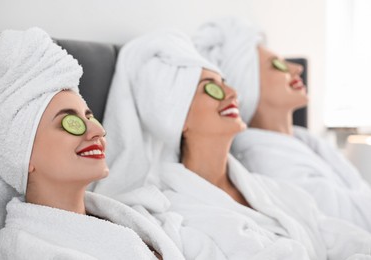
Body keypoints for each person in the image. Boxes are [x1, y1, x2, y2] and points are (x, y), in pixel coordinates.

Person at [93, 29, 371, 260]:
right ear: (178, 115)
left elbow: (345, 238)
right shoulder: (173, 213)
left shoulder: (275, 191)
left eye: (225, 82)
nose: (232, 93)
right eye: (211, 88)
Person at [0, 27, 185, 260]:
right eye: (69, 122)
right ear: (22, 154)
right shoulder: (27, 251)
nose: (97, 130)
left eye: (89, 117)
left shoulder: (130, 218)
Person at [192, 17, 371, 232]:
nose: (296, 69)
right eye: (277, 65)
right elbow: (352, 224)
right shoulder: (268, 164)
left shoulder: (303, 140)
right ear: (247, 82)